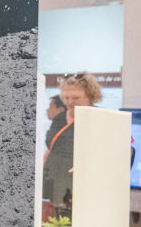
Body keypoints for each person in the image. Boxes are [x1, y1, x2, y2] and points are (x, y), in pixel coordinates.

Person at [42, 71, 102, 213]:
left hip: (82, 189)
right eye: (66, 97)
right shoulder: (59, 119)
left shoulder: (99, 119)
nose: (70, 102)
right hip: (53, 184)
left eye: (76, 97)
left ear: (91, 96)